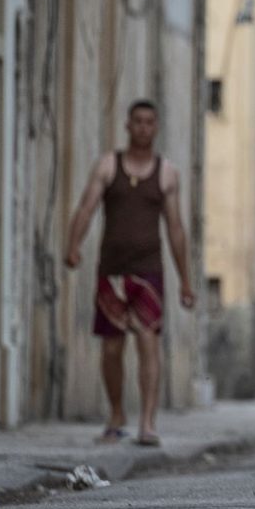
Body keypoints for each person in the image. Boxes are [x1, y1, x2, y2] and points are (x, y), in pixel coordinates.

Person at [64, 99, 196, 447]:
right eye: (137, 121)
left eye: (149, 122)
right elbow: (87, 206)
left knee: (148, 345)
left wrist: (185, 279)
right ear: (127, 125)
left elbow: (176, 228)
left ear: (156, 127)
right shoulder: (109, 166)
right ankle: (117, 412)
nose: (143, 127)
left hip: (148, 273)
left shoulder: (167, 174)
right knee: (111, 349)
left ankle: (148, 422)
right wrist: (73, 244)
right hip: (112, 273)